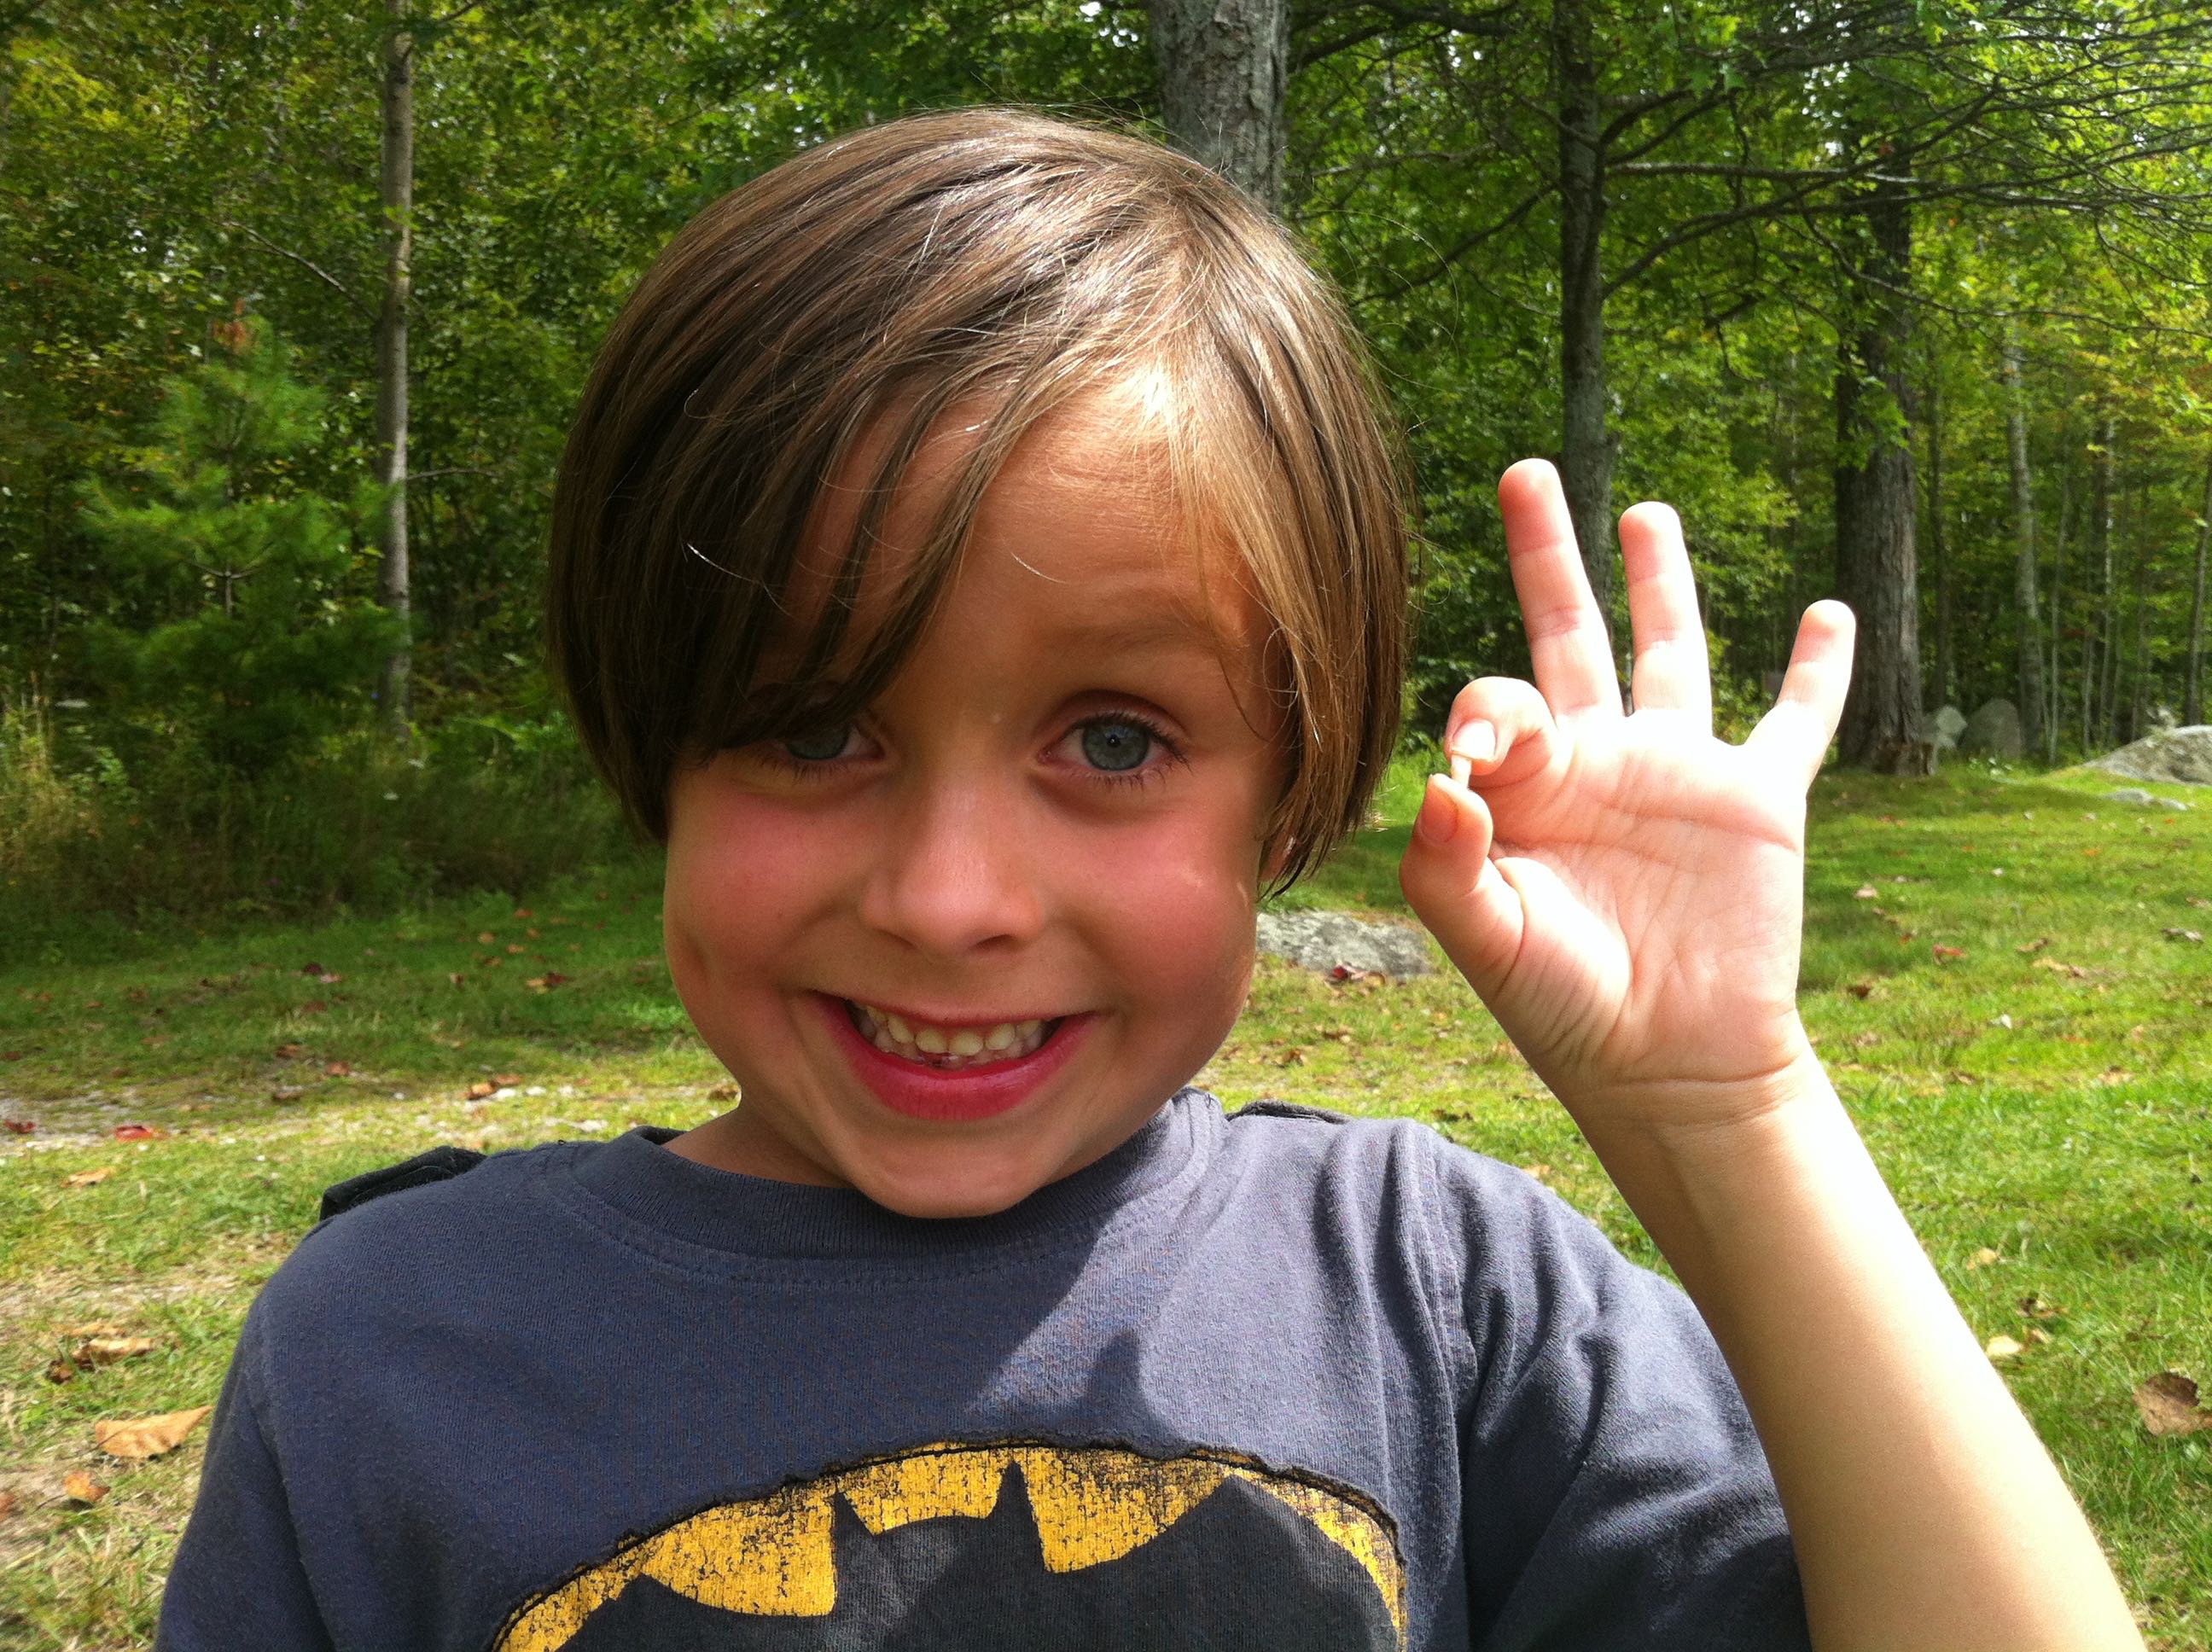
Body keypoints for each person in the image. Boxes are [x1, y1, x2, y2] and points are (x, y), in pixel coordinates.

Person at [157, 108, 2142, 1651]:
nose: (951, 897)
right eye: (812, 725)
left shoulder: (1445, 1303)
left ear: (1287, 784)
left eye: (1111, 740)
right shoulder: (388, 1349)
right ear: (651, 732)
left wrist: (1732, 1108)